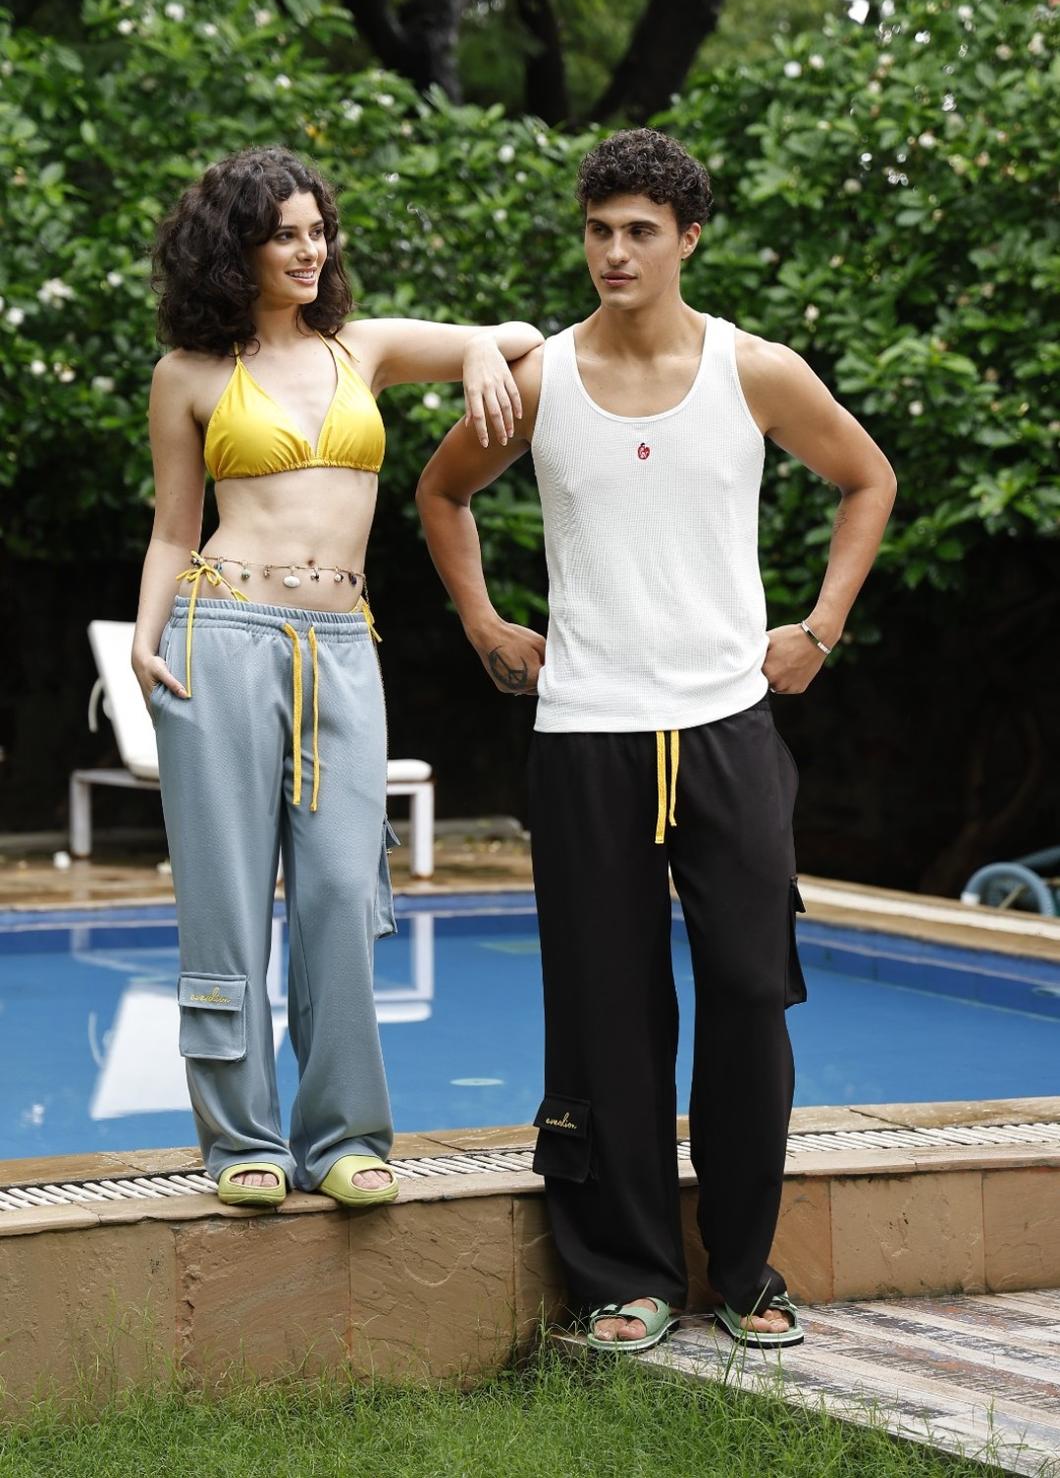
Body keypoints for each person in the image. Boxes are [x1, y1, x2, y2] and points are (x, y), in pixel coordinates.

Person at [416, 128, 896, 1350]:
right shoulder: (537, 380)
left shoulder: (757, 372)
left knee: (748, 994)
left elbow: (867, 479)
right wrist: (482, 622)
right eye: (597, 229)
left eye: (639, 230)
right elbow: (440, 492)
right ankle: (623, 1276)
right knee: (605, 1009)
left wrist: (820, 628)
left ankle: (743, 1272)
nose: (614, 251)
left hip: (727, 724)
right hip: (585, 730)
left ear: (687, 238)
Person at [132, 145, 541, 1211]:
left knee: (341, 895)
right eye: (284, 234)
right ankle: (240, 1146)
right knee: (223, 900)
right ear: (238, 249)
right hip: (219, 631)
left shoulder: (361, 349)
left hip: (341, 646)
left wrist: (481, 361)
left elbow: (520, 339)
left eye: (317, 231)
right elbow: (175, 526)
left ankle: (346, 1139)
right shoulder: (187, 374)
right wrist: (144, 638)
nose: (308, 250)